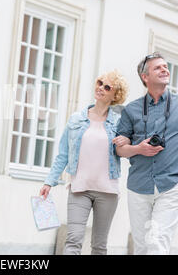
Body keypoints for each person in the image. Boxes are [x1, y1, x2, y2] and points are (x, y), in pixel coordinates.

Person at [116, 52, 178, 255]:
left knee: (157, 242)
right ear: (145, 77)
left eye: (165, 66)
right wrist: (139, 149)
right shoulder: (131, 110)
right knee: (142, 245)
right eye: (158, 68)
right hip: (138, 186)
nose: (165, 70)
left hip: (172, 185)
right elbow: (119, 148)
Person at [39, 70, 130, 255]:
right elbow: (63, 154)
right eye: (99, 83)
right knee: (73, 241)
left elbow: (126, 149)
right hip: (79, 189)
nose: (100, 88)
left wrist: (127, 141)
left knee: (99, 246)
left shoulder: (119, 123)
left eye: (107, 87)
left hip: (107, 192)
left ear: (115, 95)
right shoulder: (76, 119)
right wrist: (50, 181)